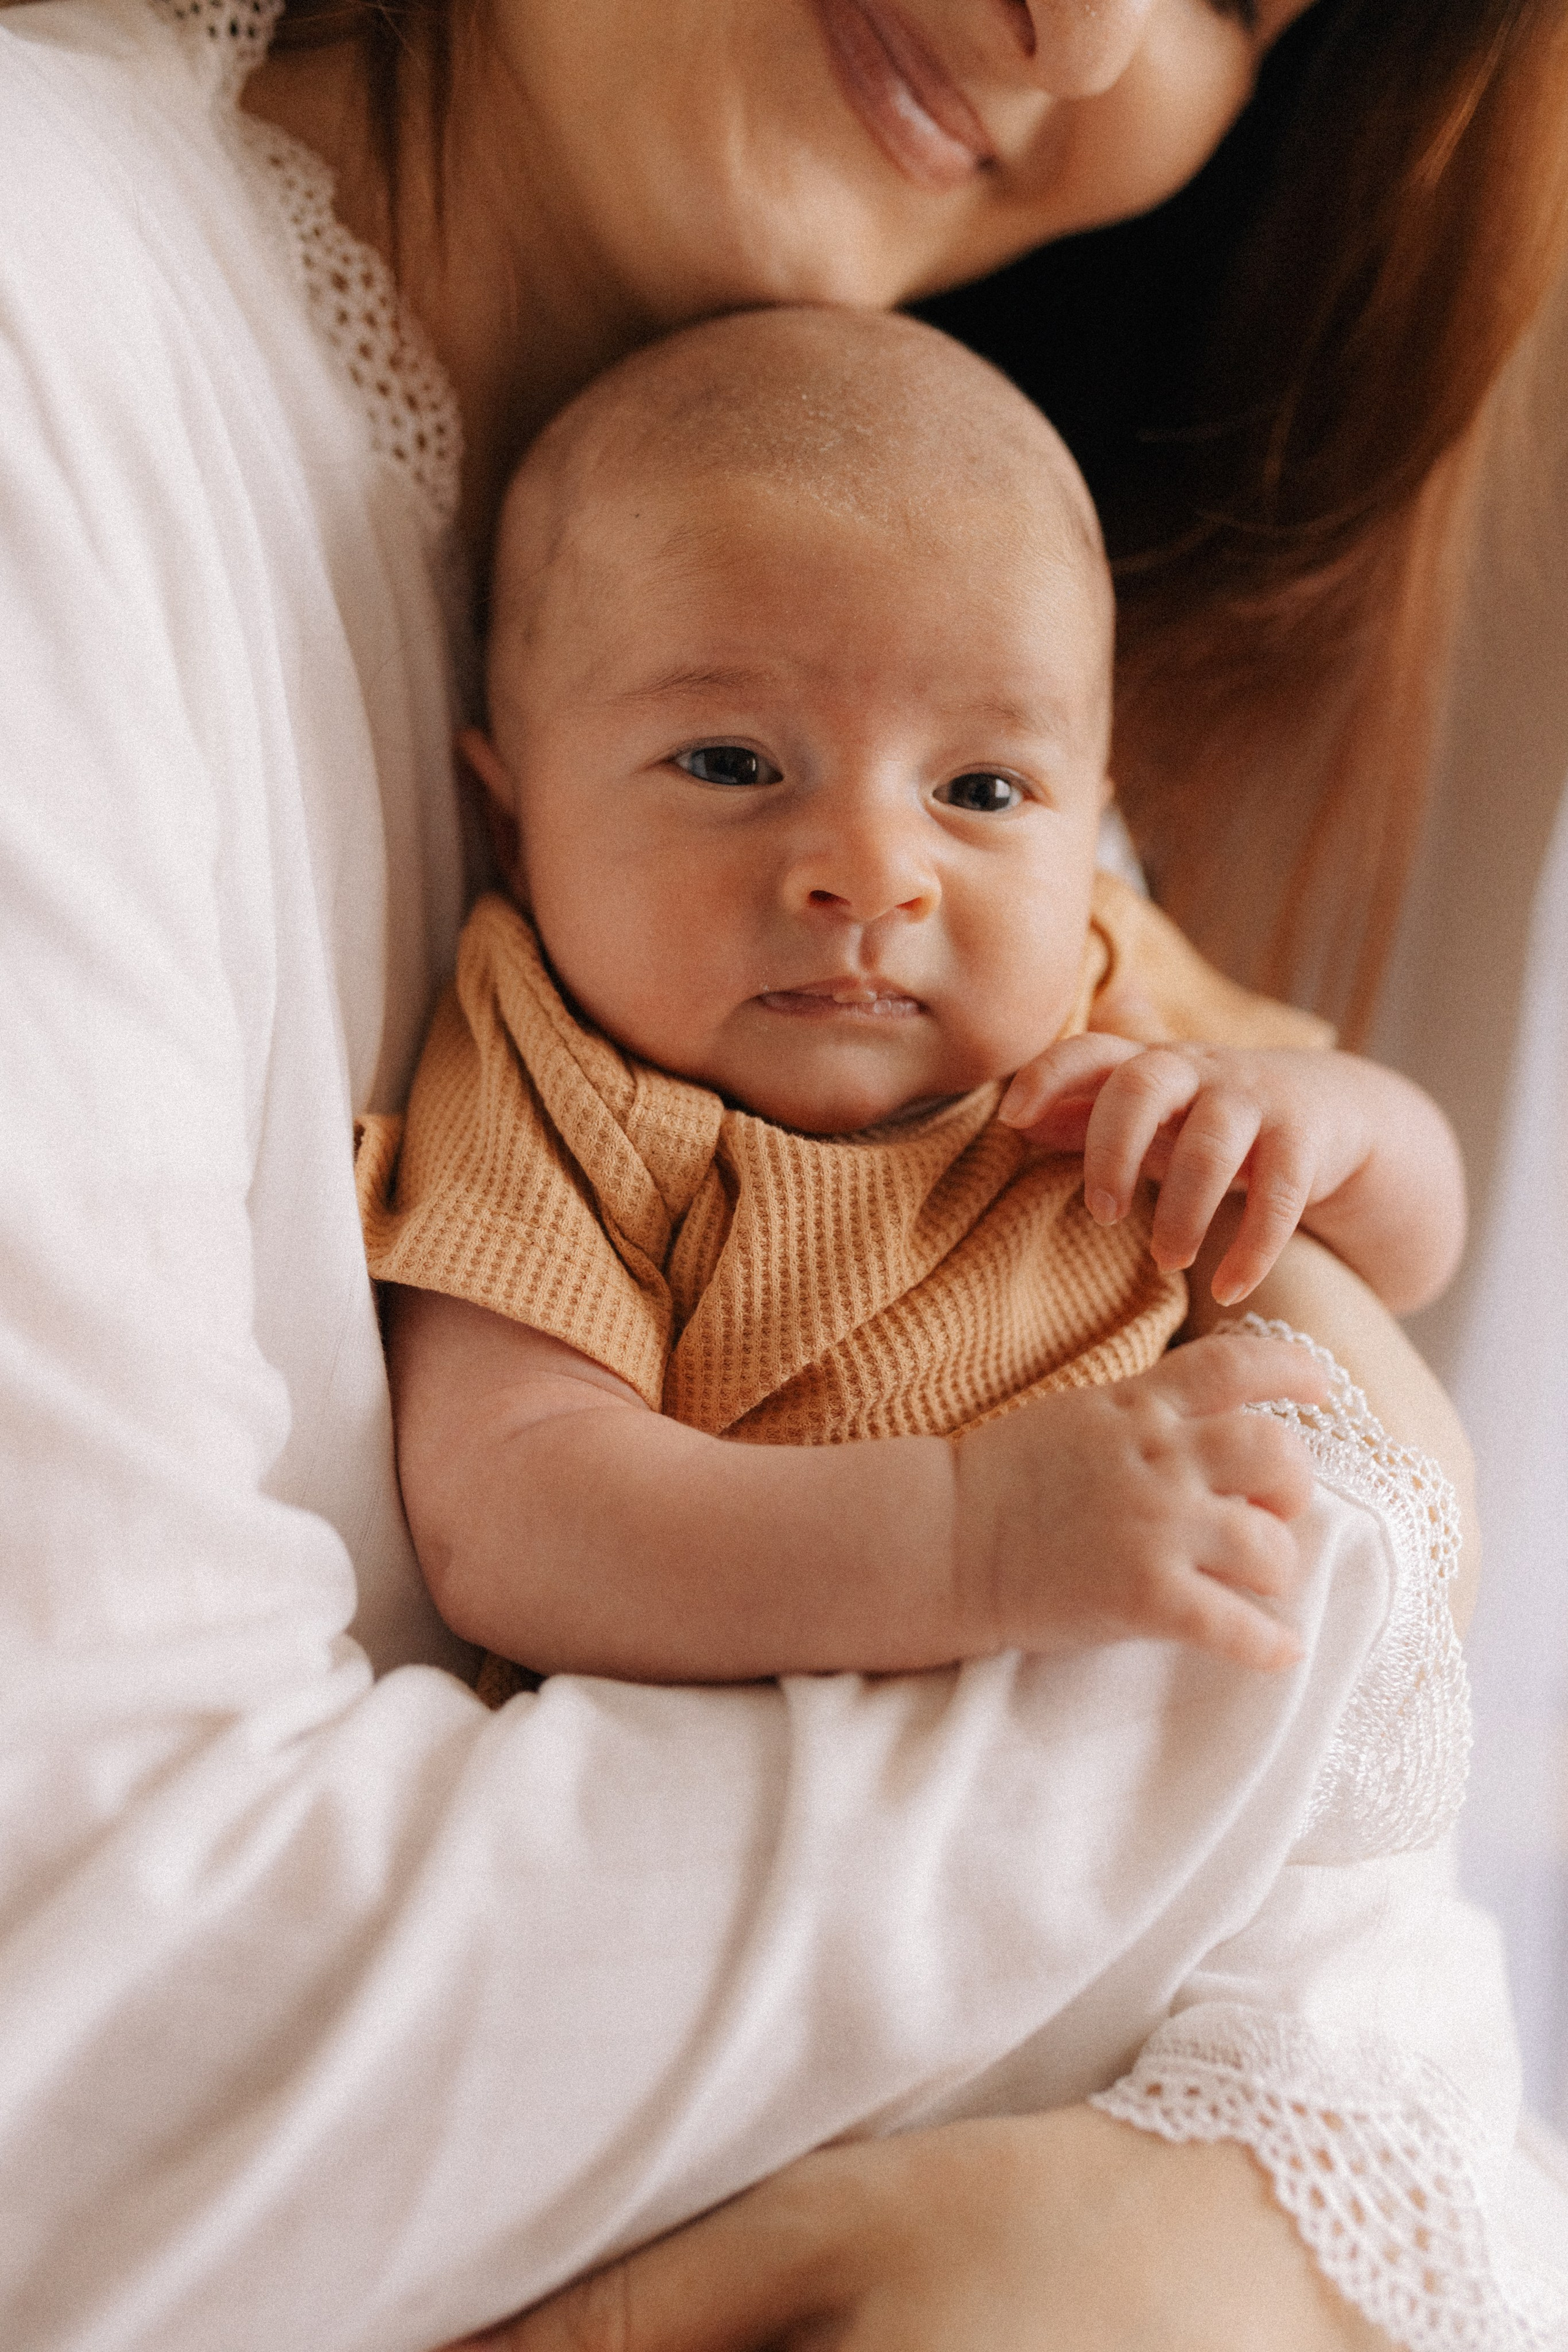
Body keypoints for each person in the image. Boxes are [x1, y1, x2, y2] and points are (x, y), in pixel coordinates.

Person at [4, 0, 1567, 2345]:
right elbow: (88, 2092)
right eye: (725, 760)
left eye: (1243, 0)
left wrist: (1296, 2201)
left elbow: (1360, 1214)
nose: (1080, 26)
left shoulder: (968, 765)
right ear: (515, 774)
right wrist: (1326, 1607)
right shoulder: (63, 337)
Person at [362, 303, 1466, 1700]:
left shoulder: (1107, 985)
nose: (875, 875)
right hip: (755, 1795)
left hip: (1149, 1758)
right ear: (512, 825)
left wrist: (1320, 1126)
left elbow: (1414, 1244)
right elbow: (506, 1512)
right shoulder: (554, 1066)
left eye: (982, 792)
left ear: (1087, 834)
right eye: (728, 762)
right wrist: (973, 1539)